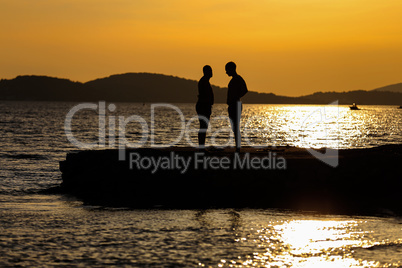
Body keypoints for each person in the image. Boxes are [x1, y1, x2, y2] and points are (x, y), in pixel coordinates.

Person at [225, 61, 248, 151]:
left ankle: (238, 147)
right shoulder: (235, 79)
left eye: (227, 70)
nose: (226, 72)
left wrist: (236, 97)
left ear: (231, 69)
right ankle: (237, 146)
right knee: (234, 127)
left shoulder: (238, 79)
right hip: (232, 105)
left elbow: (245, 90)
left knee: (235, 126)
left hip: (235, 105)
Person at [196, 65, 214, 149]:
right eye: (210, 71)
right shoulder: (204, 81)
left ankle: (201, 146)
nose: (211, 72)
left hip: (205, 106)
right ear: (206, 72)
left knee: (204, 127)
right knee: (203, 126)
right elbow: (204, 95)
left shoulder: (205, 81)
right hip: (203, 106)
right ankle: (201, 147)